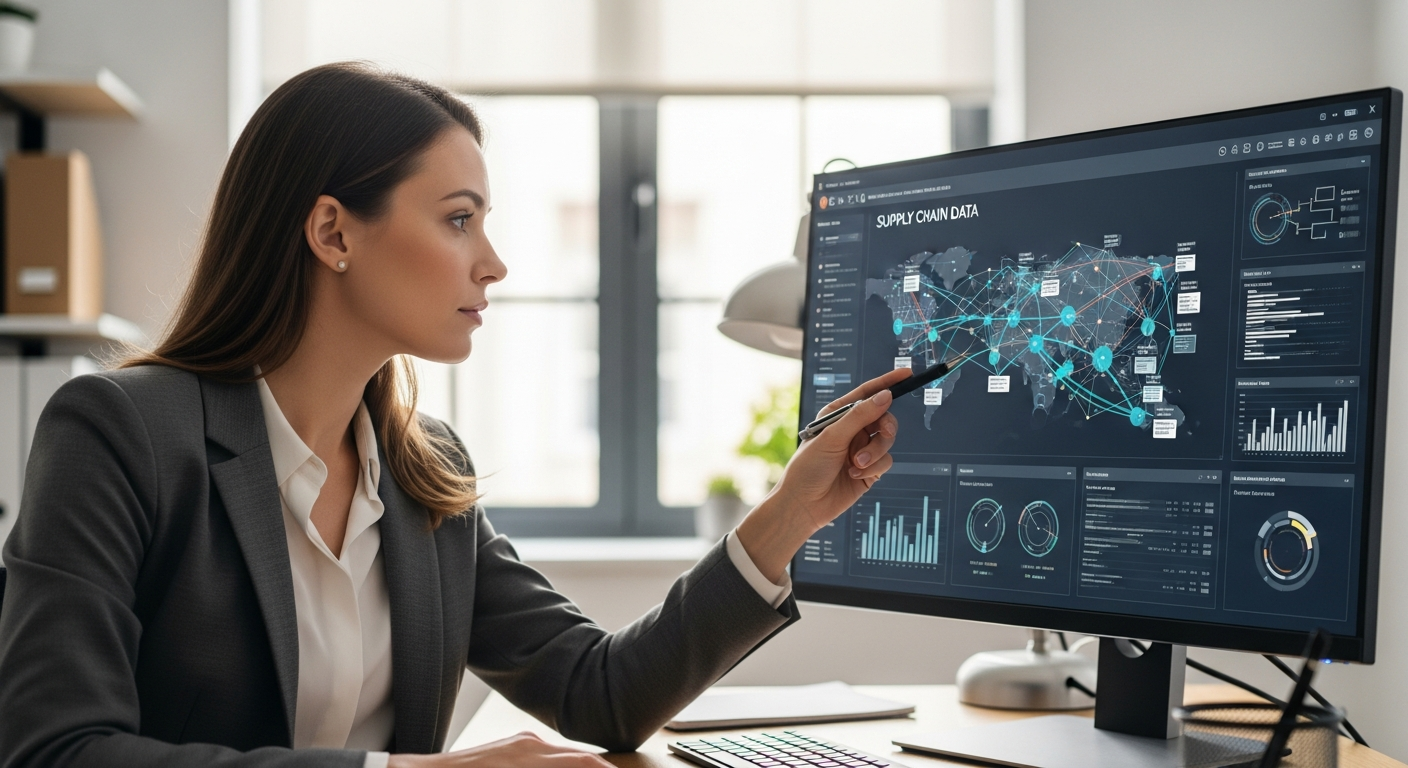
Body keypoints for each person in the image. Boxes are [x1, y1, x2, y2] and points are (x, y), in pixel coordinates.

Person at [0, 63, 903, 768]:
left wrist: (792, 514)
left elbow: (602, 694)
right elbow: (58, 750)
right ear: (333, 233)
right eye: (459, 219)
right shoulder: (118, 433)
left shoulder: (423, 471)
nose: (495, 262)